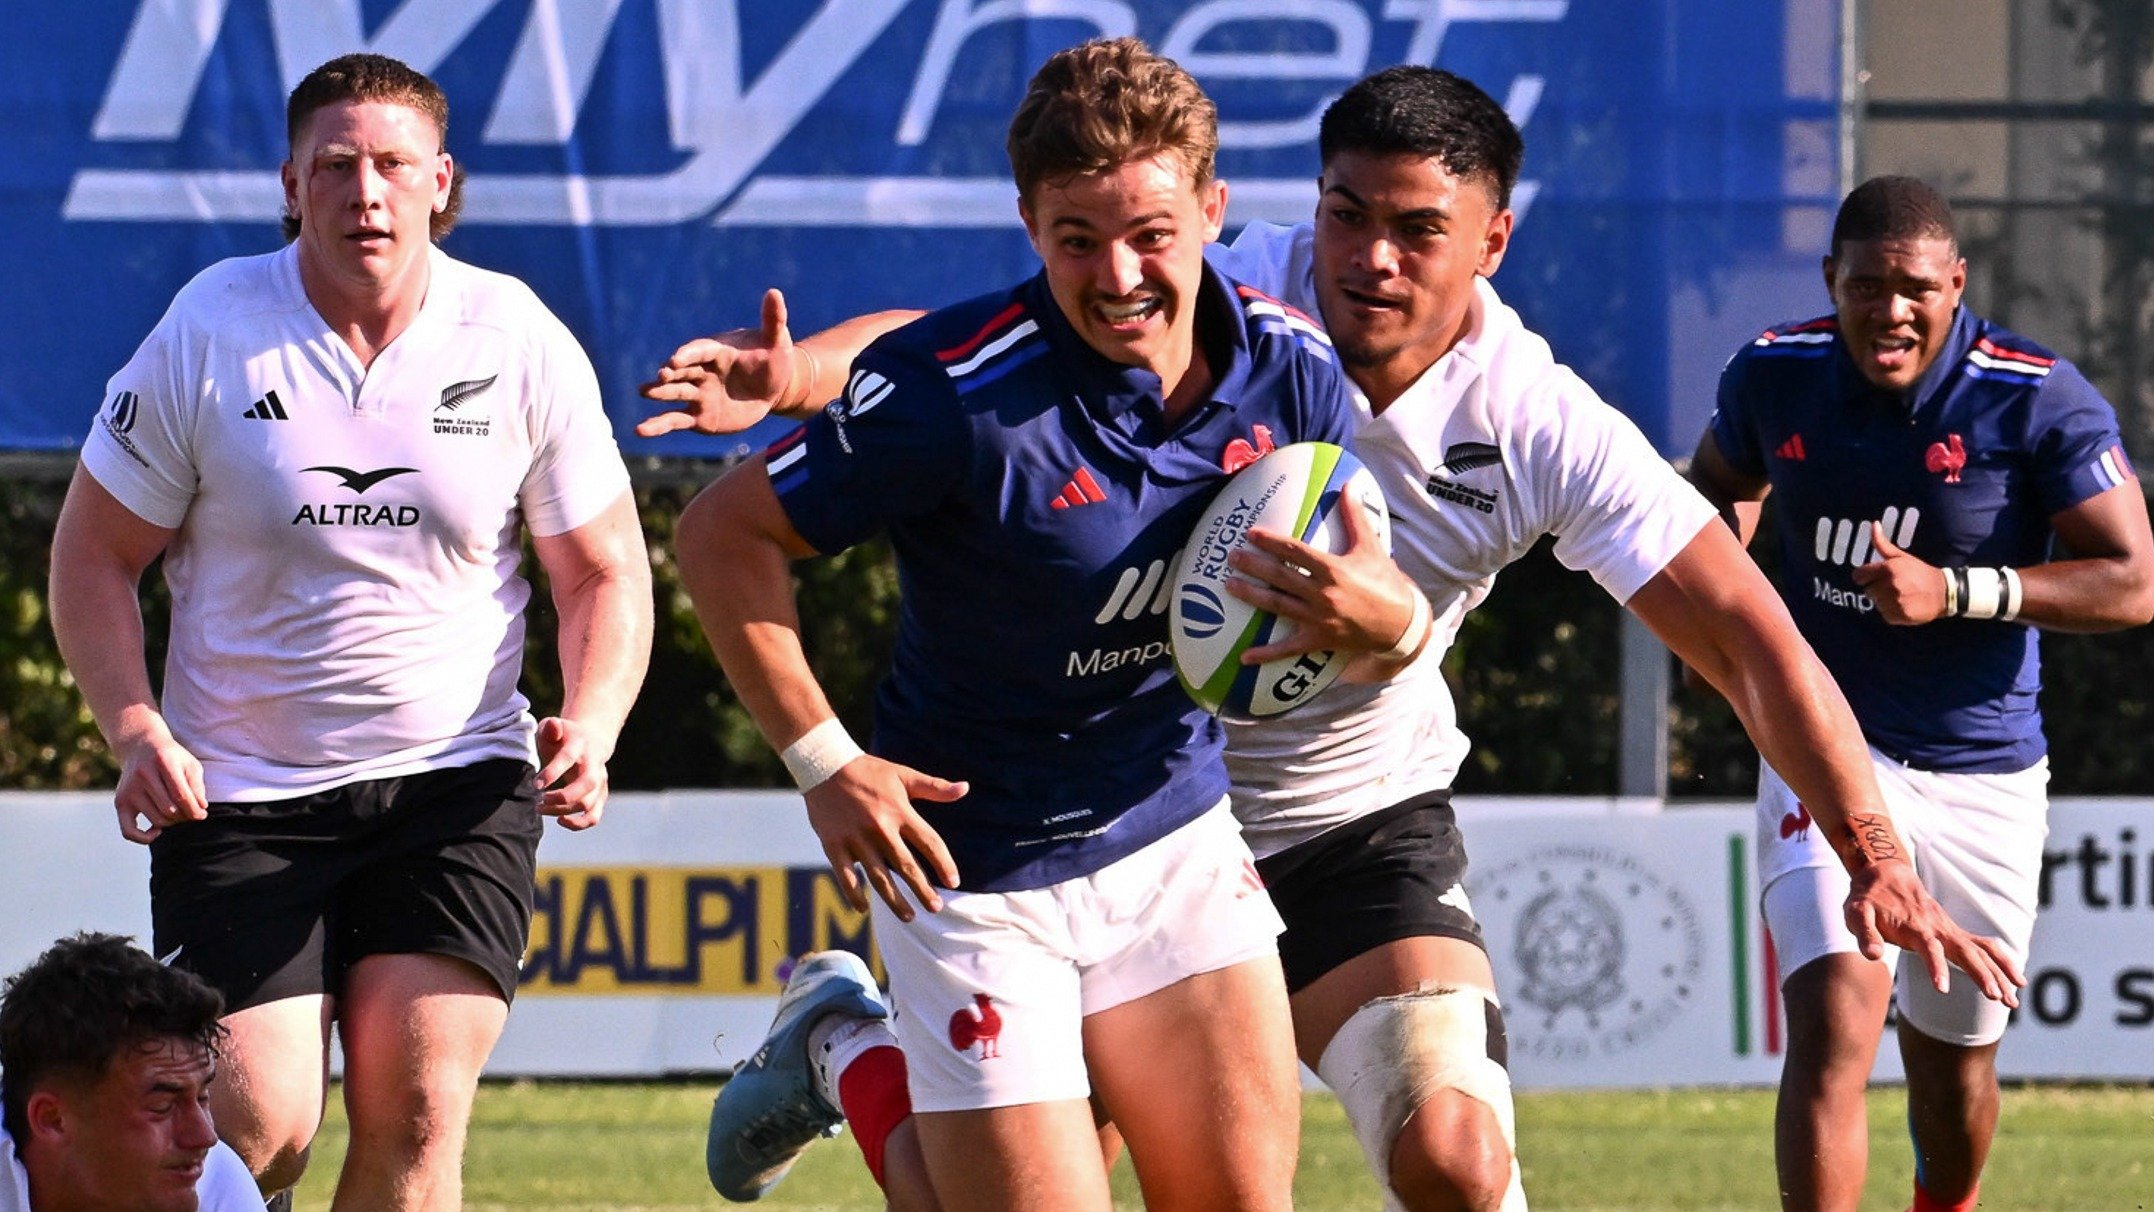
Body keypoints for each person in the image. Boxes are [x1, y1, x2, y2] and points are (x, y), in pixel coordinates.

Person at [653, 69, 2026, 1212]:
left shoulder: (1539, 425)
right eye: (1346, 216)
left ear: (1490, 240)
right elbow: (982, 338)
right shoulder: (1237, 287)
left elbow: (1748, 638)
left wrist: (1874, 853)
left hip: (1339, 824)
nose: (1370, 259)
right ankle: (847, 1044)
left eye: (1418, 229)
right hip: (1099, 802)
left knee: (1451, 1158)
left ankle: (863, 1043)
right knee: (974, 1192)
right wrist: (811, 379)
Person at [672, 36, 1409, 1212]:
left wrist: (1388, 623)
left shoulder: (1293, 371)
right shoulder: (951, 397)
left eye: (1150, 234)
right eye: (1077, 240)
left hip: (1171, 832)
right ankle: (842, 1043)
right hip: (973, 866)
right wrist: (825, 763)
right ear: (1030, 227)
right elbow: (719, 534)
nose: (1117, 274)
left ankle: (850, 1048)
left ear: (1213, 211)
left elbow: (1361, 601)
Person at [48, 53, 652, 1212]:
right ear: (290, 183)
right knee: (255, 1128)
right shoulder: (211, 329)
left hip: (458, 781)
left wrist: (599, 719)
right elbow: (91, 555)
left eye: (391, 165)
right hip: (241, 795)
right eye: (335, 165)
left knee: (420, 1109)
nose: (363, 192)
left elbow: (604, 574)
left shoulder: (516, 336)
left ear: (442, 182)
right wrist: (133, 727)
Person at [1688, 175, 2154, 1212]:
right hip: (1824, 742)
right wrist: (1718, 613)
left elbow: (2133, 580)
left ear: (1955, 282)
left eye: (1912, 288)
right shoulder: (1775, 373)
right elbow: (1719, 481)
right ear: (1831, 282)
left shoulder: (2036, 395)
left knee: (1952, 1078)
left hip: (1983, 771)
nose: (1889, 310)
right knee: (1832, 1026)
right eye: (1865, 287)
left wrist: (1954, 590)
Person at [0, 933, 260, 1212]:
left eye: (202, 1097)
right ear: (52, 1119)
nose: (205, 1136)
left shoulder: (211, 1179)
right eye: (162, 1106)